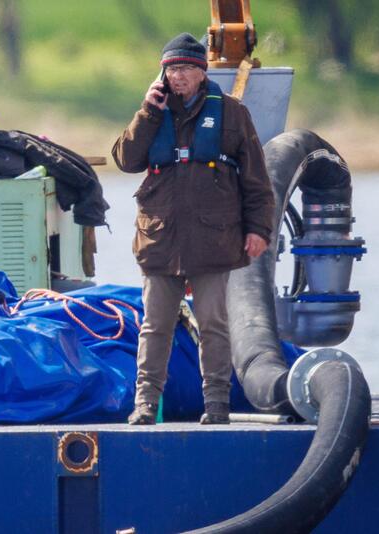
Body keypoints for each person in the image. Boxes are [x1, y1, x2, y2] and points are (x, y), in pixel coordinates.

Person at [111, 33, 275, 425]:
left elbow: (257, 181)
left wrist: (259, 230)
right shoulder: (152, 112)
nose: (178, 77)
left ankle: (217, 404)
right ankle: (146, 404)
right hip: (160, 239)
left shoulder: (232, 114)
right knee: (155, 327)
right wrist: (147, 112)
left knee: (215, 324)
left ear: (202, 73)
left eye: (185, 69)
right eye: (171, 70)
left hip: (214, 239)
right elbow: (125, 159)